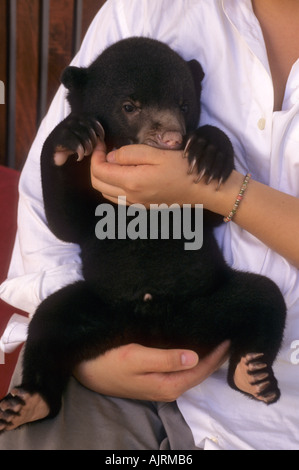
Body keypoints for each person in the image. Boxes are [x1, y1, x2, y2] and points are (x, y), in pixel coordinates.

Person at [0, 0, 299, 450]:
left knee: (260, 299)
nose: (171, 130)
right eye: (134, 109)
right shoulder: (147, 8)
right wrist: (86, 362)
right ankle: (42, 392)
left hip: (212, 325)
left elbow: (214, 202)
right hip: (106, 322)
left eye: (180, 108)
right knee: (51, 318)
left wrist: (211, 180)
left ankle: (246, 364)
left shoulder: (194, 146)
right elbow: (57, 226)